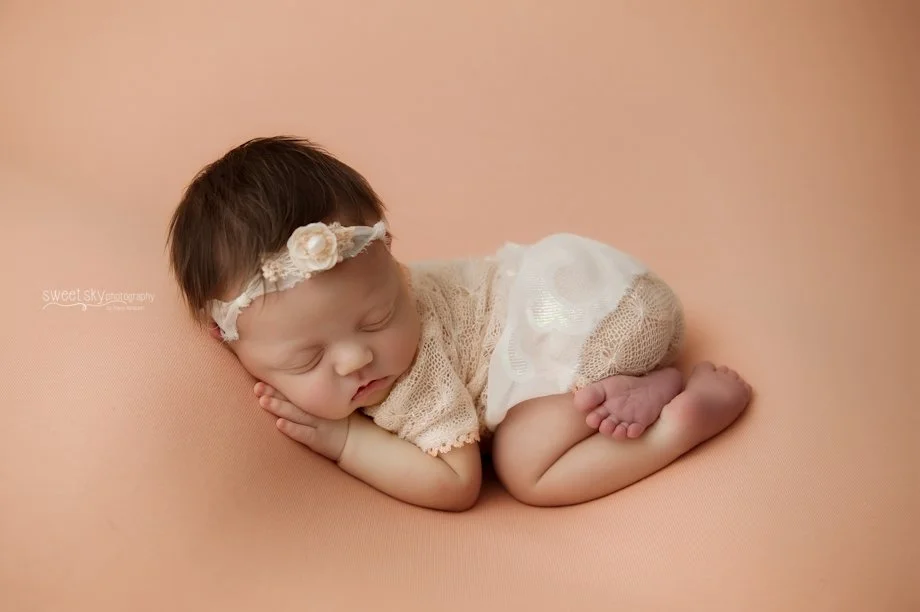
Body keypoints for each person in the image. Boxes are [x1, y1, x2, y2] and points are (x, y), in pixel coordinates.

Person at [166, 136, 752, 511]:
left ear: (393, 266)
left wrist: (345, 439)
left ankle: (674, 423)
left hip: (589, 322)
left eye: (379, 317)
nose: (355, 360)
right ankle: (641, 385)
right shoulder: (347, 315)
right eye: (307, 359)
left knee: (527, 469)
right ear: (225, 339)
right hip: (591, 299)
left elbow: (455, 483)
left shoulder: (413, 373)